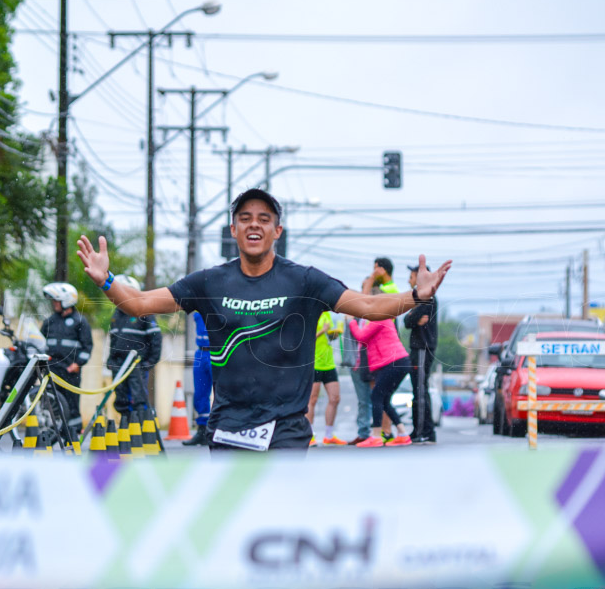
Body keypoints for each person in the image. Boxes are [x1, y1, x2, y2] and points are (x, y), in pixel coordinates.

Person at [76, 188, 452, 452]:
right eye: (245, 218)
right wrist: (107, 281)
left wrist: (417, 295)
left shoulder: (305, 280)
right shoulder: (209, 281)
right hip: (227, 430)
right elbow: (140, 303)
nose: (254, 225)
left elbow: (369, 307)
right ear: (233, 230)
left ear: (277, 231)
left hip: (286, 431)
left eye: (264, 219)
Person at [347, 314, 414, 447]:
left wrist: (351, 322)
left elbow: (361, 337)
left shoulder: (379, 319)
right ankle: (403, 434)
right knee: (384, 399)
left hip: (393, 362)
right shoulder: (380, 320)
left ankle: (376, 436)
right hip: (397, 362)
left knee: (376, 396)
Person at [105, 275, 162, 417]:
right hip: (119, 364)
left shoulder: (144, 312)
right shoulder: (116, 314)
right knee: (121, 401)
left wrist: (149, 362)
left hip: (136, 364)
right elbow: (113, 340)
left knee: (138, 399)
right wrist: (111, 360)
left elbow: (156, 339)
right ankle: (127, 431)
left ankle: (142, 431)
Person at [41, 282, 93, 426]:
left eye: (56, 300)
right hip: (51, 369)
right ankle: (52, 430)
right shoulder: (49, 321)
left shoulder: (80, 321)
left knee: (71, 403)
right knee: (51, 402)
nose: (54, 303)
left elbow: (87, 347)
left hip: (69, 371)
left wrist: (77, 364)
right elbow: (40, 342)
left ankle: (74, 431)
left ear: (67, 300)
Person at [405, 264, 439, 444]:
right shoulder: (420, 297)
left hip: (422, 348)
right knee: (419, 390)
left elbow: (408, 320)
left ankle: (422, 431)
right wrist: (412, 317)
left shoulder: (427, 297)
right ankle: (423, 430)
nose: (409, 280)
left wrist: (412, 316)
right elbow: (408, 320)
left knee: (419, 390)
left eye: (411, 276)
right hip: (420, 348)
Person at [305, 311, 344, 446]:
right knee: (312, 399)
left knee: (335, 398)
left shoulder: (326, 314)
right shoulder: (310, 313)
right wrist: (322, 330)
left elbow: (329, 337)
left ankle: (328, 435)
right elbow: (306, 339)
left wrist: (336, 333)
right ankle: (310, 435)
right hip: (314, 363)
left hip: (329, 362)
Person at [182, 311, 213, 446]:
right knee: (200, 393)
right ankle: (202, 430)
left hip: (217, 350)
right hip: (201, 352)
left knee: (221, 392)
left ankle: (218, 430)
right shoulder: (199, 303)